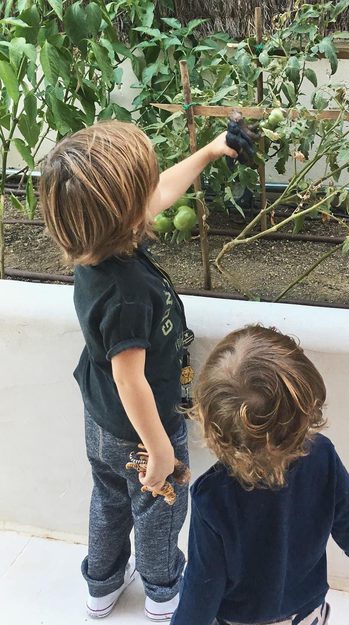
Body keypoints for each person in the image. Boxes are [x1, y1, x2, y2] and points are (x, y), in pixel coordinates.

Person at [39, 120, 238, 621]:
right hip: (140, 427)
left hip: (101, 419)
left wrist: (212, 152)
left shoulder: (97, 246)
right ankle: (162, 591)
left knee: (108, 500)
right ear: (125, 213)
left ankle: (101, 585)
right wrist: (160, 449)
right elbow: (132, 380)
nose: (155, 192)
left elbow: (165, 189)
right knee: (159, 508)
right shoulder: (126, 293)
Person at [172, 325, 349, 625]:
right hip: (306, 610)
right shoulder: (321, 455)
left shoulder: (212, 497)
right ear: (307, 409)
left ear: (210, 422)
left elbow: (203, 584)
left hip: (242, 618)